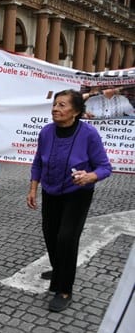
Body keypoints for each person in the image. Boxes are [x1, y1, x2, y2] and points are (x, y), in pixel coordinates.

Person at [26, 89, 111, 313]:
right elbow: (38, 163)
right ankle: (58, 268)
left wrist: (90, 176)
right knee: (50, 234)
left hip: (77, 194)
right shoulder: (46, 132)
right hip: (51, 191)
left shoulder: (89, 134)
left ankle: (64, 289)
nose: (55, 108)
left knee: (66, 238)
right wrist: (33, 188)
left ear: (75, 111)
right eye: (55, 104)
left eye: (62, 105)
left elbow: (104, 167)